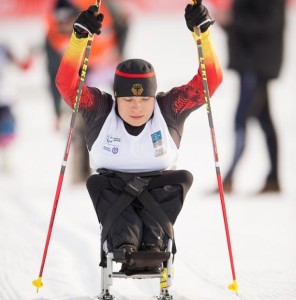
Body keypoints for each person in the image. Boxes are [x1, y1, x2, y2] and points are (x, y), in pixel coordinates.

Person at [56, 2, 222, 275]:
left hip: (159, 191)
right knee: (98, 183)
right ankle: (124, 244)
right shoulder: (100, 109)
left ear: (153, 97)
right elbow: (67, 84)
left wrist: (202, 36)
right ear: (116, 97)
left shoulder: (169, 109)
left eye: (144, 99)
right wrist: (79, 40)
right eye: (128, 99)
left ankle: (154, 243)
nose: (137, 107)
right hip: (112, 189)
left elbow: (210, 80)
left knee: (183, 177)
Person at [45, 0, 129, 183]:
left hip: (110, 66)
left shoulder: (96, 12)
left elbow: (124, 21)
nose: (63, 24)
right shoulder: (53, 34)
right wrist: (57, 110)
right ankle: (82, 175)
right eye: (60, 21)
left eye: (68, 20)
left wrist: (120, 51)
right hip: (87, 72)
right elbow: (53, 73)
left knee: (128, 112)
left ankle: (129, 163)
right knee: (83, 122)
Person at [217, 0, 285, 193]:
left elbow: (269, 23)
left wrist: (233, 20)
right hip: (250, 64)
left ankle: (228, 179)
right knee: (265, 122)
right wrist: (226, 23)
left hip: (257, 65)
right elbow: (243, 27)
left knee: (241, 119)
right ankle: (273, 179)